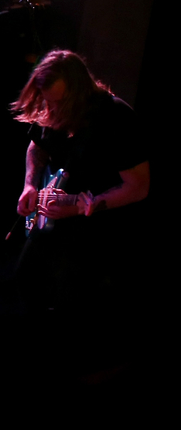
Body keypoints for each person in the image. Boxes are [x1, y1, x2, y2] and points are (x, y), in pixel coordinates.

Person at [10, 50, 149, 316]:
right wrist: (30, 185)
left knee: (71, 301)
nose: (52, 109)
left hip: (95, 231)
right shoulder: (52, 107)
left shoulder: (116, 117)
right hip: (52, 220)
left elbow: (139, 186)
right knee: (26, 281)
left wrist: (76, 208)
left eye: (58, 103)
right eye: (47, 103)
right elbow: (36, 147)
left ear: (78, 91)